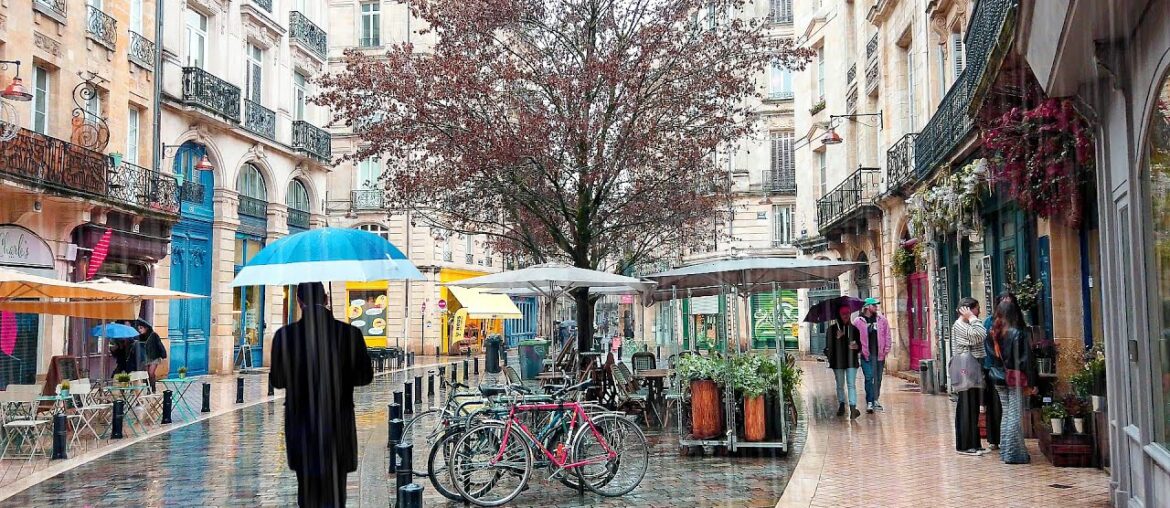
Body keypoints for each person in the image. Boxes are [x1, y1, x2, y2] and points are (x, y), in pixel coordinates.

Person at [270, 282, 374, 507]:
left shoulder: (285, 336)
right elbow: (365, 377)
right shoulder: (350, 334)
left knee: (306, 495)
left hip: (302, 432)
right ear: (326, 299)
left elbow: (277, 381)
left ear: (299, 302)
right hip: (338, 429)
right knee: (336, 495)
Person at [988, 292, 1037, 465]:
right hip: (1014, 377)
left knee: (1007, 413)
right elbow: (1025, 360)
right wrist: (1032, 382)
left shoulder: (993, 332)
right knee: (1014, 415)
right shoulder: (1018, 333)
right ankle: (1013, 453)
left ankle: (1006, 451)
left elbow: (992, 356)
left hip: (998, 377)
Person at [951, 297, 987, 456]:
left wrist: (972, 320)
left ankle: (974, 442)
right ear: (967, 310)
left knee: (972, 405)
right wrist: (972, 318)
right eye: (976, 309)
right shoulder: (960, 325)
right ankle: (964, 445)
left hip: (973, 366)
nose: (978, 312)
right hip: (965, 367)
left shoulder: (966, 324)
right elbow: (980, 335)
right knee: (966, 405)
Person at [980, 295, 1010, 451]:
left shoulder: (991, 322)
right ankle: (998, 438)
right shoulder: (992, 323)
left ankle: (999, 438)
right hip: (996, 368)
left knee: (997, 405)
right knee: (997, 404)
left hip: (995, 367)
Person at [853, 298, 891, 413]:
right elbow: (853, 337)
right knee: (869, 377)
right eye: (874, 305)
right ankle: (869, 401)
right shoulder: (858, 321)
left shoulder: (882, 320)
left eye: (876, 305)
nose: (876, 307)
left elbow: (887, 334)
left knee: (878, 378)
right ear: (867, 307)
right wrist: (858, 349)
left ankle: (875, 400)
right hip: (867, 355)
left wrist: (887, 348)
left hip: (879, 354)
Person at [823, 305, 861, 419]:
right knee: (840, 385)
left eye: (847, 313)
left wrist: (856, 347)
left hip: (851, 362)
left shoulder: (854, 329)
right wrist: (837, 338)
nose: (845, 316)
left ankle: (853, 408)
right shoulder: (832, 330)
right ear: (839, 315)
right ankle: (841, 404)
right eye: (843, 314)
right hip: (838, 362)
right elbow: (828, 348)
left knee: (851, 384)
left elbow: (860, 346)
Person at [135, 321, 166, 391]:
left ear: (146, 328)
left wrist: (163, 354)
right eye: (138, 328)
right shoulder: (139, 337)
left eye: (141, 328)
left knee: (151, 373)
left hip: (154, 357)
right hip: (145, 358)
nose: (139, 330)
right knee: (146, 374)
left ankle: (153, 388)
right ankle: (149, 388)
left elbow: (159, 344)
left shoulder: (154, 335)